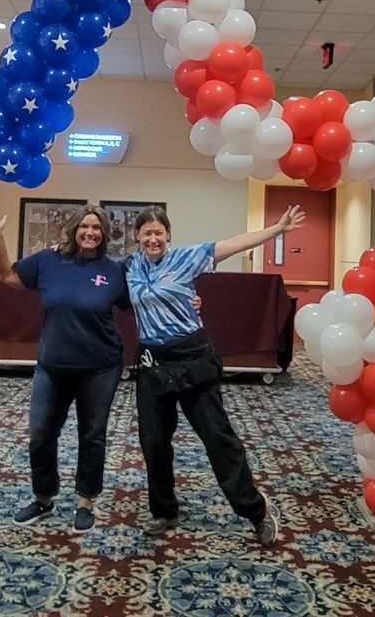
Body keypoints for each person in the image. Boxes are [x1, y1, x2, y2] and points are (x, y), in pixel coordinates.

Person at [125, 205, 306, 545]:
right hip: (153, 364)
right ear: (137, 237)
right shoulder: (130, 267)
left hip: (193, 359)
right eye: (146, 233)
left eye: (158, 232)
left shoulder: (187, 258)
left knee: (217, 439)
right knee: (154, 443)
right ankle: (164, 510)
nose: (153, 238)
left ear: (168, 235)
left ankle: (256, 511)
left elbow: (235, 243)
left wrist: (276, 230)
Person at [0, 204, 128, 534]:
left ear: (104, 233)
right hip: (53, 365)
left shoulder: (115, 271)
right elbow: (5, 275)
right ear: (75, 229)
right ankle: (44, 498)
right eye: (84, 226)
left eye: (97, 227)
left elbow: (142, 301)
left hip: (100, 367)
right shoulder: (49, 261)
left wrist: (188, 301)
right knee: (41, 434)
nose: (90, 232)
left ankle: (86, 502)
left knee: (92, 435)